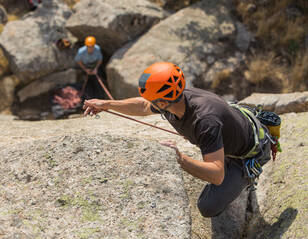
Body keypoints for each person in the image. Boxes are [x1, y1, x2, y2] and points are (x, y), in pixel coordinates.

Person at [83, 62, 272, 218]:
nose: (149, 102)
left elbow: (216, 175)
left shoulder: (205, 122)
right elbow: (142, 107)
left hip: (246, 154)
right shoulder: (175, 99)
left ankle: (245, 178)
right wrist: (106, 104)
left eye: (152, 99)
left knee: (207, 206)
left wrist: (180, 158)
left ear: (163, 102)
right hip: (232, 136)